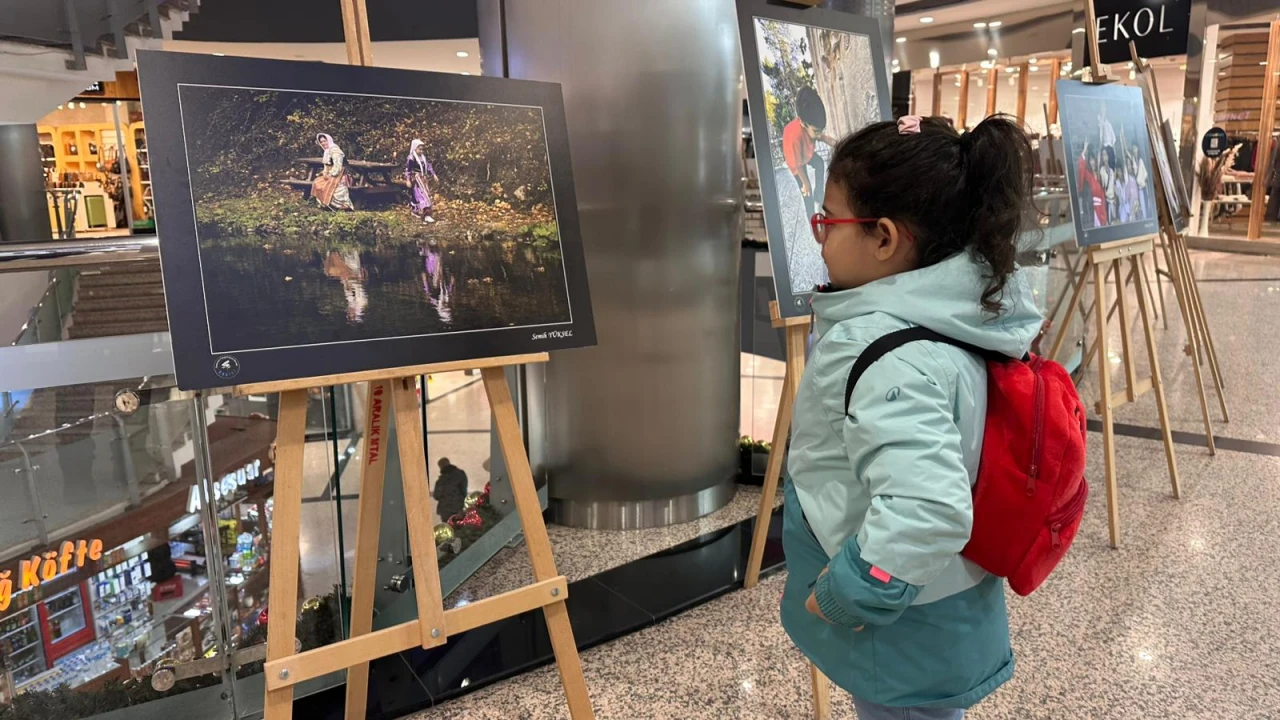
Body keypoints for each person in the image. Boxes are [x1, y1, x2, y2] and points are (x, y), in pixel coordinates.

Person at [782, 114, 1042, 720]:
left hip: (900, 623)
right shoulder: (959, 317)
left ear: (884, 239)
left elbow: (927, 508)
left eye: (828, 221)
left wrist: (852, 592)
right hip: (943, 601)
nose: (819, 236)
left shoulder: (888, 355)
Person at [782, 86, 839, 220]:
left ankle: (819, 193)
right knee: (807, 194)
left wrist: (842, 145)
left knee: (819, 163)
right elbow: (798, 165)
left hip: (806, 152)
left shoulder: (813, 128)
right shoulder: (795, 136)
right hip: (796, 162)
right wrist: (806, 184)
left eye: (820, 130)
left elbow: (826, 138)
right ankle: (811, 219)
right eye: (816, 131)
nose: (819, 134)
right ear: (802, 123)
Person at [313, 133, 355, 211]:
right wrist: (324, 173)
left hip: (341, 173)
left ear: (329, 140)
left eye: (325, 141)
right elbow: (326, 166)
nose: (323, 143)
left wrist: (330, 174)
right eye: (321, 142)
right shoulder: (326, 151)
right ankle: (326, 205)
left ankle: (342, 206)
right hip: (331, 173)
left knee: (331, 185)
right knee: (317, 182)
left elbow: (338, 166)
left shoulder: (335, 150)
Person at [405, 138, 439, 224]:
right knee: (421, 196)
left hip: (423, 179)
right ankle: (424, 214)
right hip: (416, 179)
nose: (421, 151)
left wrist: (433, 174)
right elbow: (408, 170)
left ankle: (425, 213)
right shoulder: (411, 158)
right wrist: (408, 179)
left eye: (422, 149)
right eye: (419, 149)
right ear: (415, 148)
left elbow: (428, 166)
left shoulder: (423, 158)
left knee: (426, 194)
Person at [1076, 142, 1107, 228]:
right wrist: (1084, 151)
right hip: (1093, 210)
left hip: (1102, 209)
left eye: (1093, 160)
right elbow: (1081, 167)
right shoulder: (1088, 176)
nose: (1092, 162)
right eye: (1090, 160)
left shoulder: (1100, 174)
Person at [433, 457, 469, 522]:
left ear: (440, 466)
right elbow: (464, 490)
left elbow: (436, 496)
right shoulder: (460, 474)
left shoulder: (441, 480)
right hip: (458, 508)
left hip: (446, 510)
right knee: (459, 528)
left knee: (449, 529)